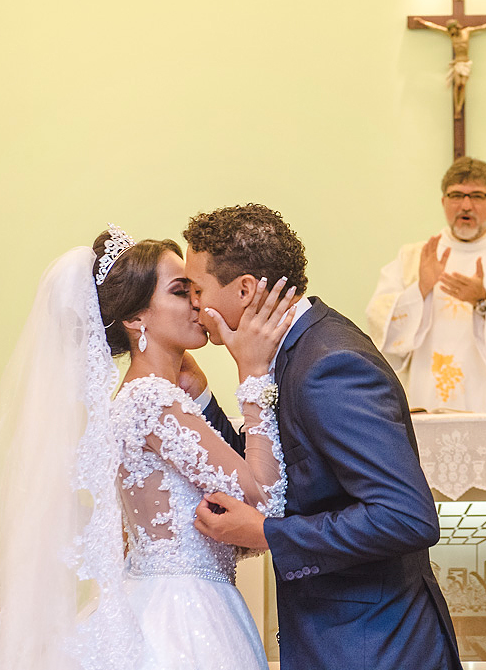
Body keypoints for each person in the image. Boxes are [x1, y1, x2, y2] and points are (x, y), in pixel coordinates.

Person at [0, 225, 295, 670]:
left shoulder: (146, 396)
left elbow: (225, 528)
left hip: (169, 593)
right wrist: (253, 374)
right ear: (135, 319)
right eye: (179, 290)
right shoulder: (152, 399)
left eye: (194, 288)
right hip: (183, 616)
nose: (197, 302)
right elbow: (265, 498)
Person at [180, 203, 463, 670]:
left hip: (374, 644)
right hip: (345, 636)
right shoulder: (291, 349)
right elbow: (270, 474)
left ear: (246, 289)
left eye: (198, 288)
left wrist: (268, 533)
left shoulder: (328, 365)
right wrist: (203, 393)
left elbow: (406, 517)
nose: (194, 303)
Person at [366, 157, 486, 413]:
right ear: (443, 201)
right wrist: (420, 290)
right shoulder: (412, 257)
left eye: (477, 195)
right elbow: (378, 321)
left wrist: (484, 302)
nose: (466, 205)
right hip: (425, 398)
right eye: (456, 195)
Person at [411, 15, 486, 117]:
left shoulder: (467, 32)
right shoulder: (451, 35)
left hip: (466, 63)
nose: (452, 31)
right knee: (457, 84)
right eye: (450, 30)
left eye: (452, 29)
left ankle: (459, 107)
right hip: (457, 63)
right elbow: (435, 27)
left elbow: (481, 27)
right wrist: (422, 22)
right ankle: (457, 108)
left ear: (457, 27)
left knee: (463, 84)